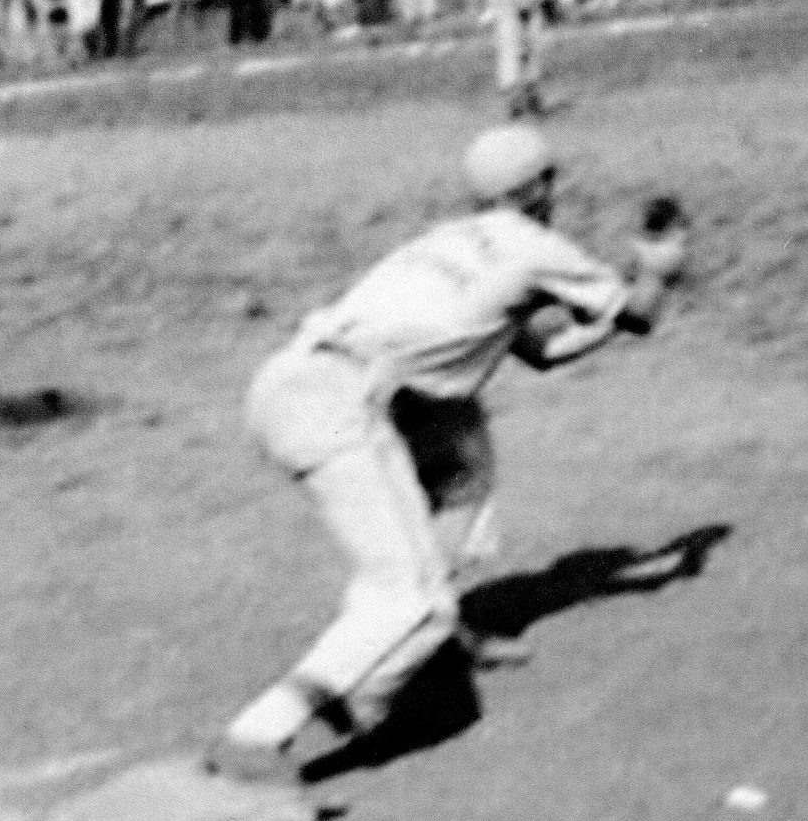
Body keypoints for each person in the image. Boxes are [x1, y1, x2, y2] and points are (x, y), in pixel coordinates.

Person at [203, 124, 690, 787]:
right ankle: (259, 735)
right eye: (550, 182)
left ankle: (435, 643)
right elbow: (638, 315)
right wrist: (657, 271)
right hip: (342, 408)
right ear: (540, 188)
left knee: (461, 465)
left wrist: (603, 316)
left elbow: (541, 351)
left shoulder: (442, 240)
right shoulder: (537, 246)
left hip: (290, 383)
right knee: (410, 598)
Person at [478, 0, 556, 118]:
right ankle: (517, 101)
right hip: (511, 5)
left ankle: (528, 98)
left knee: (524, 51)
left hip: (520, 3)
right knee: (515, 52)